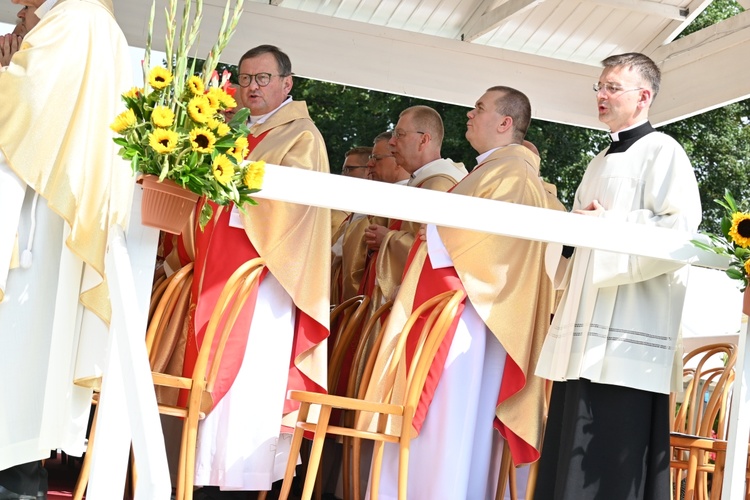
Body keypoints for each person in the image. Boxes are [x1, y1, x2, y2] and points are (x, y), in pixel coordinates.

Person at [359, 86, 563, 499]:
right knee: (445, 425)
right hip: (465, 313)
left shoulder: (512, 173)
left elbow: (490, 247)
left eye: (480, 109)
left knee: (448, 424)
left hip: (470, 319)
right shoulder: (493, 168)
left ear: (505, 123)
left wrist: (428, 234)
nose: (470, 115)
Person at [534, 52, 702, 499]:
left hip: (630, 333)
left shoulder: (664, 152)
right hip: (585, 332)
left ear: (643, 97)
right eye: (600, 87)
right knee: (570, 438)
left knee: (610, 453)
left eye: (613, 87)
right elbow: (575, 241)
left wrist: (606, 226)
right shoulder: (597, 162)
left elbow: (682, 232)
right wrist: (572, 234)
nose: (602, 96)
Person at [180, 44, 331, 494]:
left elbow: (295, 210)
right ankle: (203, 476)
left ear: (287, 83)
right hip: (222, 272)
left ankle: (240, 483)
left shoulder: (302, 136)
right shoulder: (236, 129)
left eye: (263, 78)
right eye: (245, 79)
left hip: (265, 280)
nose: (251, 87)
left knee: (249, 387)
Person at [0, 0, 133, 497]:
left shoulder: (76, 19)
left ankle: (16, 481)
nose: (18, 7)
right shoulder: (87, 20)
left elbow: (26, 106)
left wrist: (7, 66)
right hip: (50, 219)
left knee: (16, 360)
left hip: (37, 224)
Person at [361, 109, 467, 308]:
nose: (392, 142)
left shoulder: (439, 185)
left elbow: (435, 251)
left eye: (399, 135)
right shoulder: (421, 181)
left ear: (423, 140)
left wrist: (388, 239)